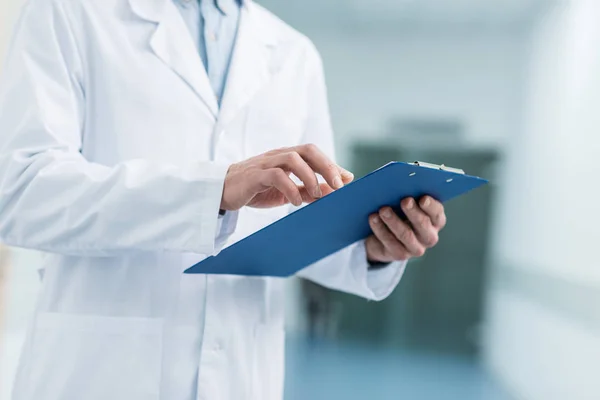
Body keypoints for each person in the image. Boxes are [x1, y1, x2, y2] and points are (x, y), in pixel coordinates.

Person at [0, 0, 447, 399]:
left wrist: (370, 246)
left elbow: (305, 220)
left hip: (241, 372)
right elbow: (20, 191)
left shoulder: (294, 54)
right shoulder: (69, 11)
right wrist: (213, 190)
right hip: (101, 372)